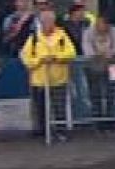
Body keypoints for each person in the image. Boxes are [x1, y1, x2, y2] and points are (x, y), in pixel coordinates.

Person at [21, 8, 76, 143]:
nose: (48, 24)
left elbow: (71, 53)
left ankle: (61, 131)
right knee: (40, 108)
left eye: (50, 21)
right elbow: (25, 57)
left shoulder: (62, 35)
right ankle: (43, 132)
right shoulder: (33, 38)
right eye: (45, 21)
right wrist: (39, 61)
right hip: (39, 79)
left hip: (58, 78)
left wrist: (56, 57)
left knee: (59, 107)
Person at [83, 12, 115, 123]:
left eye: (101, 24)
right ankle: (97, 119)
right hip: (93, 67)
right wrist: (99, 55)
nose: (98, 27)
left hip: (112, 67)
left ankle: (110, 119)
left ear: (108, 25)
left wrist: (112, 54)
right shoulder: (88, 32)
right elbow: (87, 51)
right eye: (97, 24)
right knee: (95, 94)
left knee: (110, 94)